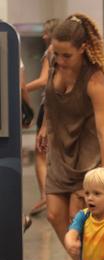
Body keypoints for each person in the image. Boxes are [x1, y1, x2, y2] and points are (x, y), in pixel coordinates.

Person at [37, 13, 104, 260]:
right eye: (57, 54)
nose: (61, 60)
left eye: (67, 54)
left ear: (82, 48)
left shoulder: (94, 78)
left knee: (77, 222)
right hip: (60, 149)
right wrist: (44, 126)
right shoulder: (55, 65)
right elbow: (51, 102)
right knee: (55, 216)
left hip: (87, 154)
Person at [26, 18, 60, 216]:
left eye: (47, 32)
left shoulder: (51, 52)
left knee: (40, 152)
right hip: (63, 110)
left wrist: (20, 88)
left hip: (49, 107)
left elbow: (43, 80)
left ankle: (44, 196)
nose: (43, 36)